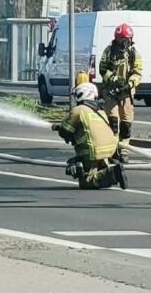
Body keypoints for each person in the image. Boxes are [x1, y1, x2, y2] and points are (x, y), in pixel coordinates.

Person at [53, 81, 126, 190]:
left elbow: (65, 132)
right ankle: (105, 171)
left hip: (93, 152)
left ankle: (114, 174)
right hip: (109, 151)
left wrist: (61, 128)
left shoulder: (79, 110)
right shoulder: (101, 110)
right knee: (96, 171)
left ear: (81, 94)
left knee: (86, 182)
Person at [98, 23, 143, 161]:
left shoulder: (133, 53)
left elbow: (138, 72)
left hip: (126, 94)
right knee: (113, 120)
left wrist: (129, 84)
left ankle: (124, 150)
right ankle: (112, 149)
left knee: (126, 122)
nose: (123, 42)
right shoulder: (109, 51)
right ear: (116, 39)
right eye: (121, 40)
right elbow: (102, 69)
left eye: (126, 40)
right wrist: (114, 79)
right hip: (111, 92)